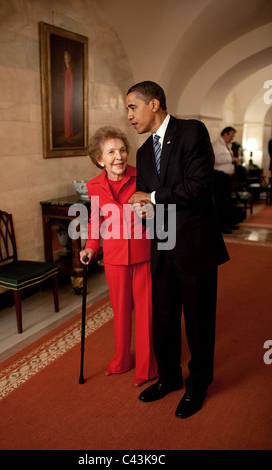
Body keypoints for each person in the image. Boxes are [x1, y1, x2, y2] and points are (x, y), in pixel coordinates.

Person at [126, 81, 229, 418]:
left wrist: (152, 199)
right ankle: (168, 377)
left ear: (154, 103)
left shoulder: (191, 131)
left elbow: (198, 187)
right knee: (163, 318)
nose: (129, 115)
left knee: (198, 321)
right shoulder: (142, 152)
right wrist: (143, 212)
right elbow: (144, 197)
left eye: (132, 107)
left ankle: (197, 384)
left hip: (195, 244)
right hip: (162, 243)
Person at [79, 126, 157, 387]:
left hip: (144, 255)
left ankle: (147, 368)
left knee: (146, 314)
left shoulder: (143, 176)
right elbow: (95, 221)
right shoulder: (94, 186)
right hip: (114, 259)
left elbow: (160, 211)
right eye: (111, 152)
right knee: (121, 312)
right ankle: (122, 359)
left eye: (122, 149)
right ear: (100, 159)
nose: (119, 156)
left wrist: (152, 212)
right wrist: (91, 247)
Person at [212, 127, 239, 233]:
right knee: (221, 203)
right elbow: (216, 159)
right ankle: (221, 227)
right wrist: (232, 159)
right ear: (225, 134)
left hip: (225, 177)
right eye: (231, 136)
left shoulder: (225, 145)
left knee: (227, 201)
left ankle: (228, 223)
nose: (232, 138)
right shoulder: (216, 144)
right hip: (219, 177)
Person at [64, 50, 74, 139]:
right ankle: (68, 133)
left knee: (69, 114)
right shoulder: (67, 70)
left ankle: (69, 133)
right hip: (66, 95)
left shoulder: (70, 70)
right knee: (66, 114)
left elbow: (71, 85)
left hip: (68, 96)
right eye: (65, 59)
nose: (65, 60)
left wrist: (70, 97)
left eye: (67, 58)